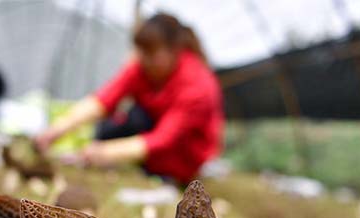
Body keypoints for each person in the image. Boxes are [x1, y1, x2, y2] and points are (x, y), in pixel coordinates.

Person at [34, 13, 224, 184]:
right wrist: (55, 131)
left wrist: (103, 153)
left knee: (135, 121)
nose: (143, 59)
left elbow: (164, 138)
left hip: (183, 153)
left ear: (173, 50)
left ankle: (167, 175)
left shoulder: (198, 84)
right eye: (141, 51)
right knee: (124, 119)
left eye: (151, 53)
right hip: (151, 140)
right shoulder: (143, 68)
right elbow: (104, 99)